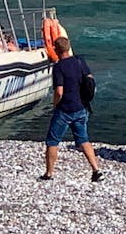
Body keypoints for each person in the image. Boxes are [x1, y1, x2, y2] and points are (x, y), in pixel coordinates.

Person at [41, 37, 102, 182]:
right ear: (68, 48)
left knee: (52, 141)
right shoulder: (80, 61)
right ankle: (96, 170)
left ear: (56, 50)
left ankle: (49, 173)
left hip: (65, 109)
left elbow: (59, 91)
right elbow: (90, 79)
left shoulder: (59, 67)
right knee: (83, 139)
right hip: (81, 106)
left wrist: (55, 104)